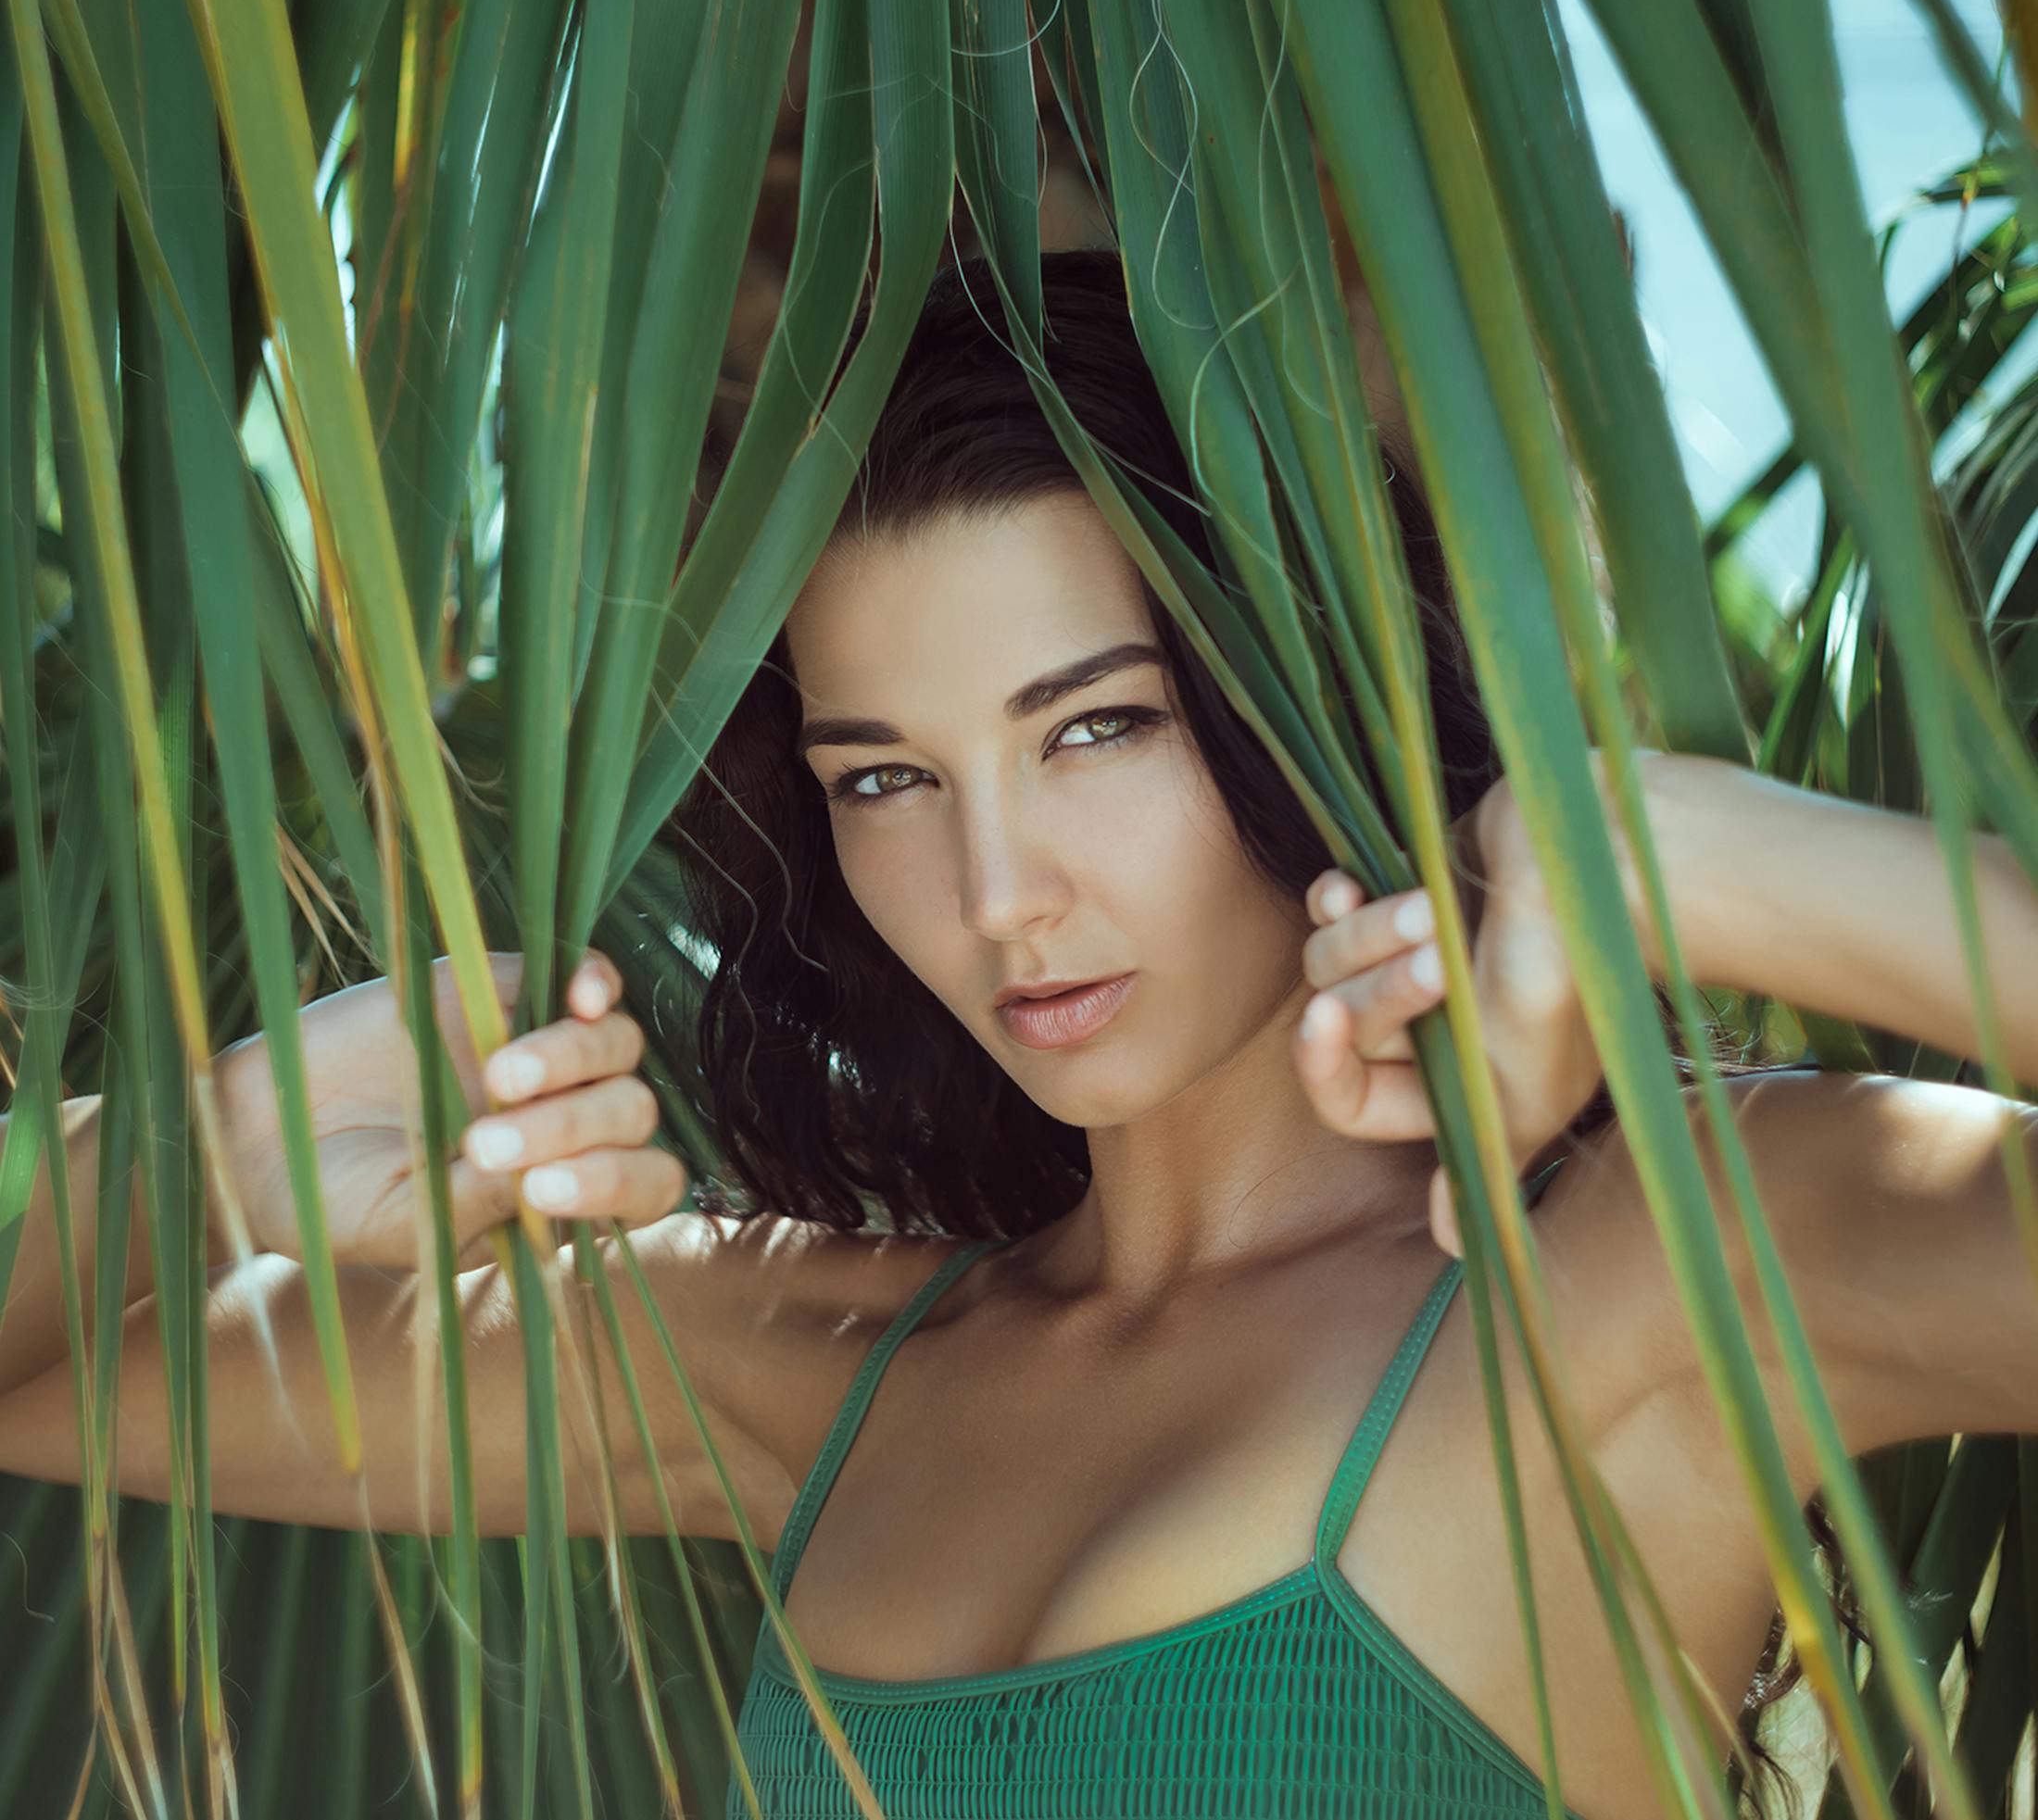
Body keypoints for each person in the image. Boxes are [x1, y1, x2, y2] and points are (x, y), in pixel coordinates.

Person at [1, 247, 2033, 1820]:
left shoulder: (1660, 1265)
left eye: (1094, 728)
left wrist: (1719, 859)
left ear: (1285, 694)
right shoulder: (814, 1359)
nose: (996, 892)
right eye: (883, 778)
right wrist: (218, 1144)